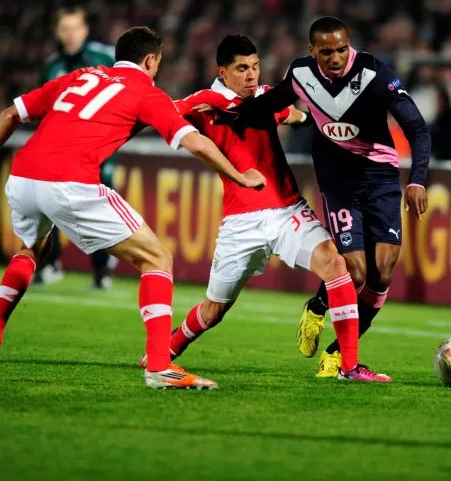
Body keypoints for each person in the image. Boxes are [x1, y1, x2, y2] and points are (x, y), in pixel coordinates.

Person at [0, 26, 266, 389]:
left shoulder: (80, 76)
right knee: (157, 258)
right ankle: (160, 365)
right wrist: (239, 175)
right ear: (150, 60)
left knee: (29, 250)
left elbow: (7, 114)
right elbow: (193, 142)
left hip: (22, 175)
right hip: (69, 181)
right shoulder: (147, 90)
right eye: (157, 63)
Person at [140, 34, 392, 382]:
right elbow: (160, 112)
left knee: (336, 264)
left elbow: (297, 115)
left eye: (255, 67)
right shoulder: (204, 101)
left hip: (288, 210)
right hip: (240, 222)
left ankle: (348, 366)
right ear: (223, 71)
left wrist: (318, 122)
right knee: (215, 310)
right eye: (242, 68)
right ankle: (166, 350)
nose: (251, 75)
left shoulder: (264, 98)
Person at [220, 17, 431, 377]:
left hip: (379, 174)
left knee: (382, 273)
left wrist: (417, 180)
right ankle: (318, 309)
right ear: (312, 50)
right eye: (327, 51)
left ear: (350, 45)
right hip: (337, 180)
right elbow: (270, 103)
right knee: (355, 271)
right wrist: (226, 114)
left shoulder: (375, 74)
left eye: (342, 49)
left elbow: (416, 128)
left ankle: (335, 353)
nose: (336, 57)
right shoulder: (301, 75)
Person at [37, 7, 117, 289]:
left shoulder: (106, 58)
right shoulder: (51, 66)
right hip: (59, 150)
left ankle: (101, 271)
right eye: (65, 29)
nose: (71, 35)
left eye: (76, 28)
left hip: (95, 149)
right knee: (47, 204)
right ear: (57, 33)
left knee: (92, 209)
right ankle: (50, 263)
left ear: (85, 30)